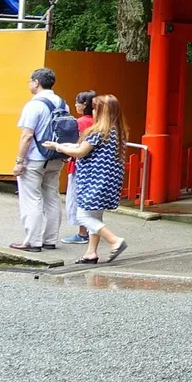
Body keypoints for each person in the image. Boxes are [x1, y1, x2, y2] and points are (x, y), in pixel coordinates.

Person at [53, 94, 128, 264]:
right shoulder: (118, 132)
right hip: (109, 181)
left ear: (100, 112)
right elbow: (82, 148)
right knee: (95, 216)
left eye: (95, 108)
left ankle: (115, 241)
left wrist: (58, 146)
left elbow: (80, 152)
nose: (92, 111)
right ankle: (91, 253)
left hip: (94, 181)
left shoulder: (97, 131)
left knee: (83, 217)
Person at [11, 68, 68, 252]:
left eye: (30, 81)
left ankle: (32, 241)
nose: (29, 84)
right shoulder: (62, 103)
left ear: (36, 82)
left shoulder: (34, 105)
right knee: (52, 197)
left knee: (32, 198)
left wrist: (20, 161)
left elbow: (27, 136)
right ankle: (50, 239)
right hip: (56, 156)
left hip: (36, 158)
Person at [60, 90, 97, 245]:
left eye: (77, 102)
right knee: (90, 201)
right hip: (94, 168)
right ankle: (90, 231)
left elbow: (76, 146)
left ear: (84, 105)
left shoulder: (80, 122)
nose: (75, 104)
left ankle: (82, 233)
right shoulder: (99, 122)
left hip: (79, 166)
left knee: (77, 199)